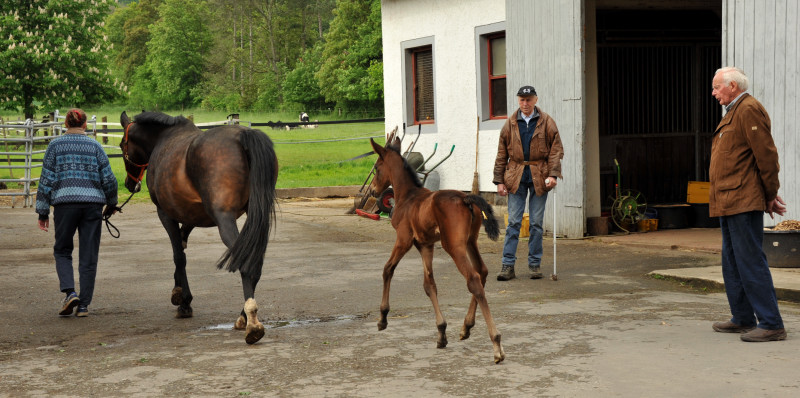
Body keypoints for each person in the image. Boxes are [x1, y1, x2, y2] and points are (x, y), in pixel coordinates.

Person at [709, 67, 787, 342]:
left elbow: (766, 156)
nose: (714, 93)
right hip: (728, 200)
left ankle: (771, 323)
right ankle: (742, 317)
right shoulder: (734, 111)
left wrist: (769, 194)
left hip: (743, 200)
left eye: (717, 87)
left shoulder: (749, 109)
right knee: (732, 262)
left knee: (750, 260)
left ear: (732, 85)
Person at [36, 108, 118, 317]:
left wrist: (43, 212)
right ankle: (83, 305)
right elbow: (109, 179)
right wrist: (112, 203)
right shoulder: (95, 146)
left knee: (62, 250)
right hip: (92, 206)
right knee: (88, 255)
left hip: (64, 204)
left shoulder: (54, 146)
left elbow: (46, 180)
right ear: (84, 125)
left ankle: (70, 292)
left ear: (66, 124)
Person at [493, 85, 564, 281]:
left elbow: (556, 150)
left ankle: (534, 265)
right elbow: (501, 154)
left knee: (536, 224)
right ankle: (507, 266)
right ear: (518, 101)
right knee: (513, 223)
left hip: (540, 177)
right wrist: (499, 180)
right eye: (522, 100)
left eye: (529, 100)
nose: (525, 103)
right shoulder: (510, 123)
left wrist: (553, 175)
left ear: (535, 100)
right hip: (515, 177)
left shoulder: (547, 121)